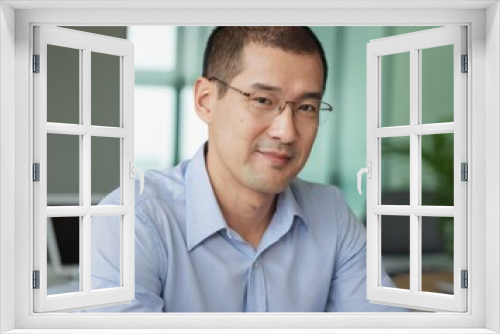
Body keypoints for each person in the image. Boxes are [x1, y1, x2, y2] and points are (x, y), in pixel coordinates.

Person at [87, 26, 405, 312]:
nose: (288, 132)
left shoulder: (331, 214)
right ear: (205, 100)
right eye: (263, 100)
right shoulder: (134, 221)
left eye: (306, 107)